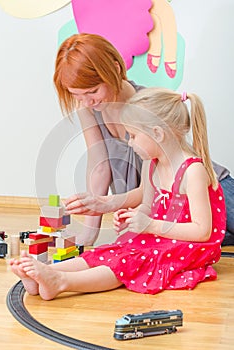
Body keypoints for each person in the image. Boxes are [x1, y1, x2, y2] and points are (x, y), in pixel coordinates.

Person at [10, 87, 226, 300]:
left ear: (157, 134)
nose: (129, 143)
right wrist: (133, 219)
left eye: (132, 136)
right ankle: (47, 272)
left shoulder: (192, 171)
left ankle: (62, 281)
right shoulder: (151, 163)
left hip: (188, 245)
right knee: (113, 250)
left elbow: (202, 231)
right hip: (160, 236)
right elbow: (147, 205)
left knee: (130, 261)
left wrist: (150, 225)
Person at [54, 33, 233, 246]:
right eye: (76, 94)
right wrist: (89, 233)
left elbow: (153, 186)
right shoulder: (89, 109)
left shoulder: (147, 106)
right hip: (163, 207)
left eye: (92, 91)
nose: (86, 101)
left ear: (116, 69)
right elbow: (99, 166)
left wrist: (108, 203)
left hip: (207, 191)